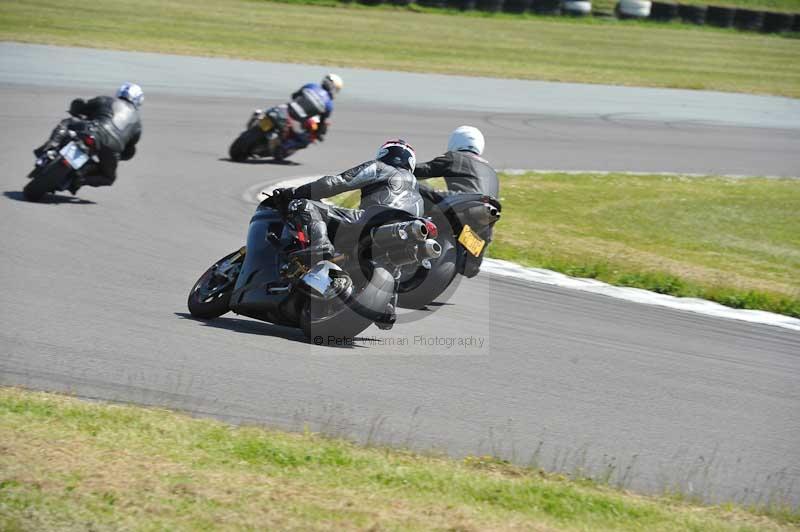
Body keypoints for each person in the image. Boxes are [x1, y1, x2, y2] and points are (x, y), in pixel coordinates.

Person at [271, 139, 422, 262]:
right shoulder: (418, 191)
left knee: (303, 205)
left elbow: (334, 183)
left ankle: (321, 245)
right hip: (404, 235)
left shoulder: (381, 167)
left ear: (384, 154)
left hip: (370, 220)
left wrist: (295, 193)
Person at [34, 82, 143, 191]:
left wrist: (75, 110)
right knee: (108, 178)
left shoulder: (106, 100)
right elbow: (129, 151)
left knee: (67, 122)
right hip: (112, 148)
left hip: (94, 131)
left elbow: (82, 106)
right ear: (138, 100)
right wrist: (119, 154)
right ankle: (79, 180)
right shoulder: (138, 125)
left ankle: (50, 149)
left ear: (120, 92)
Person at [414, 125, 498, 201]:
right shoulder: (490, 168)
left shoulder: (454, 157)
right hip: (489, 209)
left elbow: (425, 169)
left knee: (416, 187)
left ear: (455, 140)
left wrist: (406, 168)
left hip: (463, 203)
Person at [272, 73, 343, 160]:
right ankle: (281, 149)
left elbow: (294, 95)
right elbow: (321, 122)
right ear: (333, 87)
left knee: (273, 111)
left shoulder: (311, 86)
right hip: (296, 120)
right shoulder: (329, 105)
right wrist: (318, 134)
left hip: (287, 109)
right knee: (305, 140)